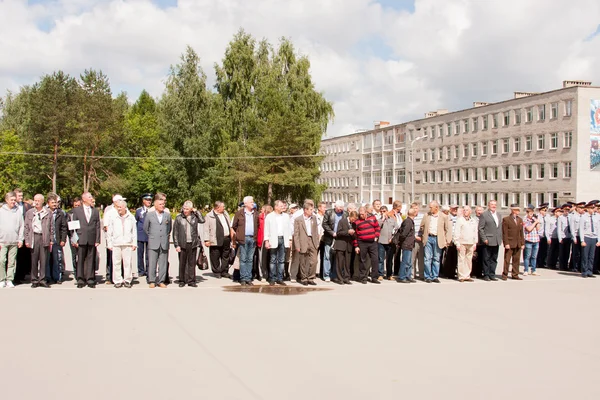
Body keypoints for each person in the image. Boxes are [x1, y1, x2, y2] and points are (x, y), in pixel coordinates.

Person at [69, 192, 101, 288]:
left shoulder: (95, 211)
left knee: (91, 259)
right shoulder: (76, 210)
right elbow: (73, 226)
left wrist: (98, 239)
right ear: (84, 199)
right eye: (90, 197)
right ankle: (80, 279)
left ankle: (90, 278)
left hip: (91, 238)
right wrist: (74, 240)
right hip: (81, 238)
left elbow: (97, 226)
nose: (92, 199)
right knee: (81, 259)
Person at [106, 199, 137, 288]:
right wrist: (109, 244)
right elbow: (110, 231)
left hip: (127, 243)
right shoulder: (113, 217)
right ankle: (117, 280)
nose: (118, 209)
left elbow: (134, 231)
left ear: (124, 207)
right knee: (116, 263)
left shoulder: (131, 217)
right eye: (117, 207)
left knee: (127, 263)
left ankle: (127, 280)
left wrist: (134, 243)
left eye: (120, 207)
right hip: (116, 243)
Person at [419, 201, 452, 283]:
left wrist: (447, 240)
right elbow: (422, 226)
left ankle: (435, 276)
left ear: (436, 207)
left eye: (431, 207)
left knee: (436, 259)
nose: (429, 209)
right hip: (428, 238)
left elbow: (447, 229)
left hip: (438, 239)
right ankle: (427, 276)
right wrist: (423, 235)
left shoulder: (444, 216)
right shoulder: (427, 215)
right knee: (427, 258)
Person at [144, 193, 172, 288]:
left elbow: (169, 228)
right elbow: (146, 228)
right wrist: (152, 236)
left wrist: (164, 236)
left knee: (163, 263)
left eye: (163, 204)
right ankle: (152, 280)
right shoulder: (149, 215)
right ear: (155, 205)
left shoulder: (167, 215)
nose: (162, 206)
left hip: (164, 242)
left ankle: (161, 280)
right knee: (152, 262)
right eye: (160, 204)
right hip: (153, 242)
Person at [24, 194, 52, 288]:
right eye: (35, 200)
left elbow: (51, 227)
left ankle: (43, 279)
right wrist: (27, 240)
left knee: (44, 260)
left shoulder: (48, 212)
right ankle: (34, 280)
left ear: (42, 201)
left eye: (38, 200)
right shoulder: (30, 212)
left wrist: (51, 240)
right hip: (34, 237)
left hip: (44, 237)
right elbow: (26, 227)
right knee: (34, 259)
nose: (36, 202)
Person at [173, 200, 203, 288]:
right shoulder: (179, 218)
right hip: (182, 243)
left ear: (191, 209)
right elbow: (175, 233)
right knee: (182, 263)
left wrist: (196, 211)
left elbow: (202, 220)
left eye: (187, 209)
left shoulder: (194, 217)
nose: (185, 210)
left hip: (192, 243)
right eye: (184, 208)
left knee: (192, 263)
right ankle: (182, 280)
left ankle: (191, 280)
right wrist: (176, 245)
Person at [231, 196, 259, 286]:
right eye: (251, 202)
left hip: (253, 238)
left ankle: (248, 278)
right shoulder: (239, 213)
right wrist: (236, 238)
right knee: (243, 259)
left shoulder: (256, 213)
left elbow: (258, 225)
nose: (253, 203)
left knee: (250, 259)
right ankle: (243, 278)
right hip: (243, 238)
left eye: (253, 202)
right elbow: (234, 226)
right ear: (245, 203)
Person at [263, 200, 291, 286]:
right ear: (276, 207)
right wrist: (266, 240)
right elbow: (266, 229)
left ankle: (280, 278)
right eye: (281, 206)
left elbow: (289, 229)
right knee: (273, 259)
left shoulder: (286, 216)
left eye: (283, 206)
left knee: (281, 260)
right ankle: (272, 278)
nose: (283, 207)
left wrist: (290, 240)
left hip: (283, 239)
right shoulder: (270, 216)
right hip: (273, 239)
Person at [203, 201, 234, 280]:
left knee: (225, 255)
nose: (224, 208)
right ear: (217, 207)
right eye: (223, 207)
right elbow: (206, 229)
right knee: (215, 256)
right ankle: (217, 271)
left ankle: (224, 271)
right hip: (215, 239)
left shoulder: (225, 214)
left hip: (226, 238)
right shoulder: (209, 216)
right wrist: (206, 240)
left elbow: (229, 225)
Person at [0, 191, 24, 288]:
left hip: (14, 241)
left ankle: (9, 279)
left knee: (12, 261)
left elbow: (21, 226)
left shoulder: (18, 211)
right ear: (6, 200)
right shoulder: (1, 211)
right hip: (2, 241)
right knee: (1, 260)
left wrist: (20, 239)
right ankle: (2, 279)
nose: (13, 202)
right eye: (12, 200)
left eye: (14, 200)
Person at [293, 201, 320, 286]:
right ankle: (304, 278)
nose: (312, 211)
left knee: (314, 261)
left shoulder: (314, 218)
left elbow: (316, 231)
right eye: (311, 209)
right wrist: (297, 245)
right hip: (303, 241)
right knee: (303, 261)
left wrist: (317, 242)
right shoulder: (298, 219)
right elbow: (296, 234)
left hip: (312, 241)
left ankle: (311, 277)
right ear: (305, 210)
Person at [353, 206, 381, 284]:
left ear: (366, 212)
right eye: (360, 214)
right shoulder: (357, 221)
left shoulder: (372, 217)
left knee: (375, 259)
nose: (361, 215)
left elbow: (377, 227)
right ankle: (363, 277)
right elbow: (355, 235)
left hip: (372, 242)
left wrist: (376, 236)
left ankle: (374, 277)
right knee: (363, 260)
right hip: (362, 242)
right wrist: (356, 246)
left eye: (362, 214)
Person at [46, 193, 68, 284]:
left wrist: (63, 239)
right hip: (46, 241)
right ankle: (47, 277)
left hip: (57, 240)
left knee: (57, 259)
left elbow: (64, 227)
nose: (54, 204)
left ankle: (57, 277)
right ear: (48, 203)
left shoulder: (60, 213)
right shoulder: (45, 212)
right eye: (52, 202)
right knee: (46, 260)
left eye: (56, 202)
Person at [103, 194, 125, 284]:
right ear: (115, 202)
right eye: (120, 201)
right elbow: (105, 226)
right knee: (111, 258)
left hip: (122, 239)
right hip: (112, 239)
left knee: (121, 258)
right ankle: (109, 277)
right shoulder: (109, 211)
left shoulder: (124, 210)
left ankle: (121, 276)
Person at [321, 200, 345, 282]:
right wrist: (332, 233)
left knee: (337, 257)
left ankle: (335, 275)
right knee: (327, 256)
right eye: (339, 208)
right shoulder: (329, 212)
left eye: (341, 208)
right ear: (335, 207)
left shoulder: (345, 214)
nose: (340, 210)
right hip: (330, 237)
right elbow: (324, 224)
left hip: (340, 238)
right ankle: (326, 275)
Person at [478, 200, 502, 281]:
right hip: (488, 240)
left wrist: (500, 238)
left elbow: (499, 228)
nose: (493, 206)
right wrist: (484, 238)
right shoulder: (484, 215)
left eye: (495, 204)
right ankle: (486, 274)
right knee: (486, 258)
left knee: (494, 258)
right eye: (492, 204)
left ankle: (492, 274)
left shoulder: (498, 215)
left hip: (496, 240)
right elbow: (481, 228)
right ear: (488, 205)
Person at [454, 205, 478, 282]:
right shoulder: (460, 220)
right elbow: (456, 232)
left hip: (471, 242)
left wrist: (475, 243)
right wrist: (457, 243)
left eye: (467, 210)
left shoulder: (473, 220)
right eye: (464, 210)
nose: (465, 211)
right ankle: (461, 276)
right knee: (461, 259)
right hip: (462, 242)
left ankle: (467, 275)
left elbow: (475, 232)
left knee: (469, 259)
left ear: (470, 212)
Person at [332, 211, 357, 285]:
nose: (354, 220)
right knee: (340, 262)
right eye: (353, 219)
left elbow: (355, 236)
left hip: (349, 245)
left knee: (347, 263)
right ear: (350, 216)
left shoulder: (354, 224)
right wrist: (347, 232)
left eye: (355, 219)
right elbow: (338, 233)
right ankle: (340, 278)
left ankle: (346, 278)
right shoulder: (342, 221)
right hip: (340, 244)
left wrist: (353, 234)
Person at [501, 204, 525, 281]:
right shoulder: (506, 219)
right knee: (507, 260)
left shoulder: (520, 220)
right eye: (517, 210)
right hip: (510, 242)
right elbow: (505, 233)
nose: (518, 211)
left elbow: (521, 233)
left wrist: (522, 243)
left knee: (516, 260)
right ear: (513, 210)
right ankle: (505, 274)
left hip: (518, 243)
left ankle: (515, 274)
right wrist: (506, 243)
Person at [13, 188, 32, 285]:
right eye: (19, 196)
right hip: (13, 235)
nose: (21, 197)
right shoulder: (11, 206)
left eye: (21, 195)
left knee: (22, 256)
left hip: (24, 234)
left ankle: (20, 276)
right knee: (11, 257)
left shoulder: (26, 206)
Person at [579, 202, 600, 278]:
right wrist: (582, 240)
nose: (592, 209)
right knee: (585, 255)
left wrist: (599, 240)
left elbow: (598, 229)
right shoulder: (583, 217)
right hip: (586, 237)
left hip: (594, 238)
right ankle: (584, 271)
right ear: (587, 209)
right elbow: (581, 229)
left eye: (593, 208)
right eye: (591, 208)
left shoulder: (597, 216)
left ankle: (590, 271)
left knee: (592, 256)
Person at [396, 208, 416, 283]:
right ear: (414, 213)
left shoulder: (410, 221)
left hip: (410, 244)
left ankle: (408, 275)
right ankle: (402, 276)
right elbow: (403, 234)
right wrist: (402, 242)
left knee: (409, 261)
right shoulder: (408, 222)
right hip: (407, 244)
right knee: (405, 261)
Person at [135, 193, 152, 280]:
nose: (149, 201)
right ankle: (141, 270)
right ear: (143, 201)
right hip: (140, 235)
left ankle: (149, 270)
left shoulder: (153, 210)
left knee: (149, 255)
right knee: (140, 254)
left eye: (150, 200)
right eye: (147, 200)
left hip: (150, 235)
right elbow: (136, 222)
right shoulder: (139, 211)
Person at [523, 204, 542, 276]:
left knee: (534, 256)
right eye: (528, 212)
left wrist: (537, 221)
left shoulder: (535, 218)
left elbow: (538, 228)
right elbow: (529, 229)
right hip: (529, 240)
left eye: (531, 212)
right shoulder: (525, 219)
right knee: (527, 256)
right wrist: (535, 222)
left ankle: (533, 270)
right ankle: (526, 270)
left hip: (536, 240)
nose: (530, 213)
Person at [378, 206, 396, 280]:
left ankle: (389, 275)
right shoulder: (379, 220)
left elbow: (397, 229)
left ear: (387, 211)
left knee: (389, 259)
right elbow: (377, 227)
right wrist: (382, 219)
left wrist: (392, 238)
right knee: (380, 259)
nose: (383, 213)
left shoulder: (392, 220)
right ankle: (380, 274)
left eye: (384, 211)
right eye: (381, 211)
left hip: (390, 242)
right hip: (381, 241)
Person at [568, 202, 586, 273]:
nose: (582, 209)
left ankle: (581, 266)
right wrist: (574, 237)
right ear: (577, 208)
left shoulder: (584, 216)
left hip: (583, 236)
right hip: (576, 236)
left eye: (583, 208)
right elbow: (572, 228)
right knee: (576, 253)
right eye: (581, 208)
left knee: (582, 252)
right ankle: (575, 266)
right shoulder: (573, 216)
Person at [257, 204, 272, 281]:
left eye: (262, 209)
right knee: (262, 259)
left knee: (270, 258)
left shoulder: (272, 218)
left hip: (271, 240)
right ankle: (262, 275)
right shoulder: (259, 217)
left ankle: (270, 274)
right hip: (261, 240)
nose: (261, 210)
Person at [67, 197, 81, 278]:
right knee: (74, 256)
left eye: (79, 205)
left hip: (82, 237)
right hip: (73, 237)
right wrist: (73, 240)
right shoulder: (69, 214)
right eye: (75, 205)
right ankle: (76, 273)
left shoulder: (83, 213)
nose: (77, 207)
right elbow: (68, 228)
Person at [557, 204, 572, 271]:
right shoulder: (560, 218)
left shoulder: (571, 217)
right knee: (562, 252)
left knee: (567, 252)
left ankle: (566, 265)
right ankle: (561, 266)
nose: (567, 211)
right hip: (563, 237)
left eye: (568, 210)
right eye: (566, 210)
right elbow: (559, 229)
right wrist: (560, 238)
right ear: (563, 210)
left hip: (568, 236)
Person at [536, 203, 549, 269]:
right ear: (540, 210)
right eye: (543, 210)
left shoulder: (547, 216)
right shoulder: (537, 217)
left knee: (544, 250)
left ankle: (543, 263)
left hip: (545, 236)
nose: (545, 211)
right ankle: (538, 262)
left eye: (546, 210)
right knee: (538, 250)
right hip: (539, 235)